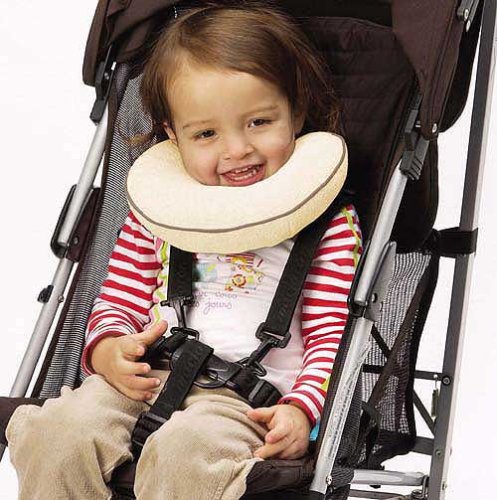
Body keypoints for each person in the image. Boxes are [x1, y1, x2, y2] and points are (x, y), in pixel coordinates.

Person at [6, 3, 362, 499]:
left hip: (243, 403)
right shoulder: (160, 211)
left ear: (296, 113)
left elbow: (331, 337)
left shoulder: (327, 221)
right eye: (207, 133)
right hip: (145, 379)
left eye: (259, 121)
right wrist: (108, 350)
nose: (237, 149)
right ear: (174, 135)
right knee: (56, 433)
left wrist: (303, 409)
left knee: (185, 453)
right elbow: (118, 302)